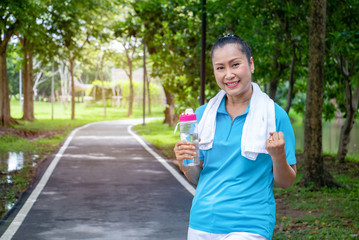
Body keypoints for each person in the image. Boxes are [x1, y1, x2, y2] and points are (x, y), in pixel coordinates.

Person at [173, 34, 297, 240]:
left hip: (250, 224)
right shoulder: (203, 115)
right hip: (202, 221)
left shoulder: (274, 116)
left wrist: (278, 156)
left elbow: (286, 182)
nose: (228, 74)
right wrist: (184, 162)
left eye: (235, 65)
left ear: (251, 64)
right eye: (220, 68)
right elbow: (198, 177)